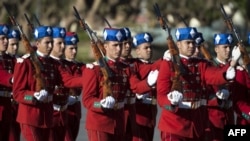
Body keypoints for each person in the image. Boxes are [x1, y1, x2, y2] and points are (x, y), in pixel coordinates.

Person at [157, 27, 241, 141]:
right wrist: (170, 102)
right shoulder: (168, 64)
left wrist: (226, 73)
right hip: (174, 125)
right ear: (179, 44)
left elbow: (213, 75)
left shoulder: (201, 64)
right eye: (188, 43)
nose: (192, 46)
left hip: (196, 124)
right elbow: (161, 97)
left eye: (193, 43)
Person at [82, 28, 157, 141]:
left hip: (119, 122)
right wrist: (100, 104)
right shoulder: (94, 70)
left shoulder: (125, 68)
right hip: (100, 124)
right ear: (106, 46)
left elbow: (135, 86)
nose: (119, 49)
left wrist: (148, 83)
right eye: (115, 45)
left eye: (120, 45)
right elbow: (87, 100)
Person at [13, 25, 55, 141]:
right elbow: (17, 93)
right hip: (30, 116)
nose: (50, 46)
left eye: (51, 42)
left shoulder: (51, 62)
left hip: (47, 116)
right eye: (47, 43)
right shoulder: (25, 62)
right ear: (37, 44)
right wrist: (32, 96)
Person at [132, 32, 161, 141]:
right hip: (138, 117)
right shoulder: (134, 65)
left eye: (150, 47)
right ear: (138, 51)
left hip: (151, 116)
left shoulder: (153, 65)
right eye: (146, 48)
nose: (150, 50)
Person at [62, 32, 85, 141]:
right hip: (63, 109)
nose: (74, 51)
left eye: (75, 48)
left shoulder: (80, 66)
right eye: (71, 48)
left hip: (75, 109)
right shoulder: (59, 65)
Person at [49, 26, 69, 141]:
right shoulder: (44, 63)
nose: (63, 46)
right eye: (59, 43)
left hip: (63, 113)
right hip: (50, 113)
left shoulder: (66, 64)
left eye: (64, 43)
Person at [119, 27, 137, 141]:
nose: (127, 46)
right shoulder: (109, 65)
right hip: (118, 111)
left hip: (132, 110)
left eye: (129, 43)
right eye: (124, 43)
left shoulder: (134, 63)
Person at [7, 29, 21, 141]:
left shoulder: (20, 61)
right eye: (12, 44)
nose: (15, 48)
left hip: (17, 108)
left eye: (17, 44)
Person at [0, 24, 14, 141]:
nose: (5, 42)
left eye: (6, 38)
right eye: (2, 39)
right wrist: (16, 79)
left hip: (7, 107)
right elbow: (3, 76)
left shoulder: (9, 59)